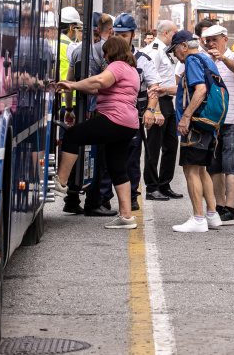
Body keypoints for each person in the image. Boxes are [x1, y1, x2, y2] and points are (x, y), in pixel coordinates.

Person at [53, 36, 141, 229]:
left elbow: (100, 81)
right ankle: (126, 216)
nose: (104, 56)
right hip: (129, 124)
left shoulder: (117, 66)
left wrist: (73, 84)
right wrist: (78, 87)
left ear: (114, 52)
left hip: (114, 119)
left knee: (73, 135)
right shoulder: (132, 70)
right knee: (118, 168)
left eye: (106, 52)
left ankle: (61, 181)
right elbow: (98, 89)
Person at [167, 31, 224, 232]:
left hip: (196, 123)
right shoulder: (206, 60)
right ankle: (211, 214)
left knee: (190, 169)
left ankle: (198, 218)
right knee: (201, 169)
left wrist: (185, 117)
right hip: (208, 122)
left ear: (183, 46)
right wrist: (164, 90)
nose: (175, 55)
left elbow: (199, 90)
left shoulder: (191, 60)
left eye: (175, 50)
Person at [63, 13, 118, 217]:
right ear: (110, 30)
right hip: (102, 110)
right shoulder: (111, 51)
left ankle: (71, 197)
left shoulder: (77, 51)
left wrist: (69, 109)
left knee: (78, 153)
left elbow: (69, 82)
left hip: (82, 109)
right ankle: (94, 202)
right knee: (98, 157)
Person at [109, 13, 163, 212]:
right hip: (110, 115)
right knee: (108, 157)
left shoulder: (143, 59)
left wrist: (150, 110)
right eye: (118, 34)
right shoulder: (106, 57)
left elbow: (154, 87)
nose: (121, 38)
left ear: (133, 35)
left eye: (125, 35)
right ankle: (104, 197)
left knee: (131, 158)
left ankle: (132, 196)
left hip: (133, 117)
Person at [202, 25, 234, 225]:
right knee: (214, 166)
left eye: (214, 39)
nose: (211, 44)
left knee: (231, 166)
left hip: (232, 118)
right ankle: (219, 206)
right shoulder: (205, 60)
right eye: (207, 40)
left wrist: (222, 58)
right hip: (213, 120)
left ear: (225, 39)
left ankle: (230, 208)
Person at [141, 20, 183, 201]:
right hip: (158, 101)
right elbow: (151, 82)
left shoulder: (164, 52)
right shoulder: (154, 51)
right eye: (174, 33)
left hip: (167, 100)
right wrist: (155, 109)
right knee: (154, 145)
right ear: (166, 33)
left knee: (171, 144)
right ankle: (151, 186)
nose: (176, 36)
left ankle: (164, 184)